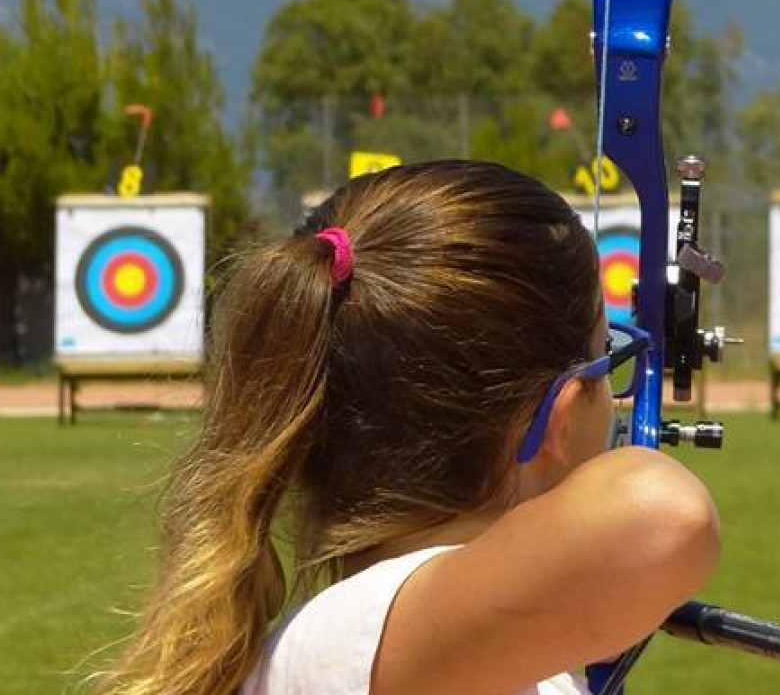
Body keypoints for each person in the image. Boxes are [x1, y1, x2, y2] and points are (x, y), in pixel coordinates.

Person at [98, 160, 721, 695]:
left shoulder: (386, 643)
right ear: (559, 411)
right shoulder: (362, 637)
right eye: (608, 356)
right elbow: (663, 515)